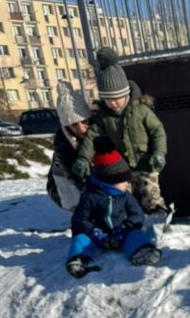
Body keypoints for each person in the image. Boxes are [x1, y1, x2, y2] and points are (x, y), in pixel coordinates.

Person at [72, 47, 168, 214]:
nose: (114, 103)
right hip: (120, 167)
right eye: (109, 100)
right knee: (120, 195)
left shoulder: (141, 110)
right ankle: (124, 219)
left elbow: (157, 131)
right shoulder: (103, 117)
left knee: (150, 192)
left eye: (117, 98)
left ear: (126, 94)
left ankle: (157, 213)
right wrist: (83, 159)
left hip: (145, 162)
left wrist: (159, 153)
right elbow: (91, 138)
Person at [65, 138, 161, 278]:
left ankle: (143, 252)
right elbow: (79, 219)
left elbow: (137, 214)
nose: (127, 184)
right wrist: (92, 231)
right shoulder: (90, 196)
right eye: (123, 181)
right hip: (97, 236)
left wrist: (126, 227)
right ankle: (79, 259)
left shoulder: (125, 196)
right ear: (107, 183)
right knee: (80, 239)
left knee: (137, 235)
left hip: (121, 232)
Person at [46, 81, 93, 212]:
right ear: (66, 126)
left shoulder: (98, 129)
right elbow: (71, 173)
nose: (81, 128)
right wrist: (87, 189)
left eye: (84, 122)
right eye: (74, 125)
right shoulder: (62, 141)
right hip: (65, 182)